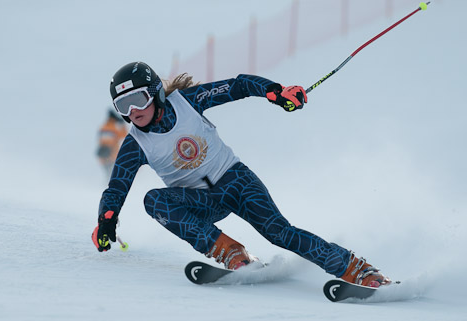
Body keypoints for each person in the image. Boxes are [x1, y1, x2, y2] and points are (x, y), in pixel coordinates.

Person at [91, 61, 391, 288]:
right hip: (201, 201)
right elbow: (116, 189)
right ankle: (232, 253)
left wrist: (276, 92)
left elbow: (239, 85)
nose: (133, 112)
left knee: (279, 233)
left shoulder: (187, 102)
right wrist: (106, 221)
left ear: (155, 93)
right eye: (123, 106)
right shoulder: (135, 144)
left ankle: (357, 270)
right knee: (154, 201)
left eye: (138, 100)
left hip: (236, 181)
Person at [96, 109, 129, 179]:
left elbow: (100, 141)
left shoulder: (102, 128)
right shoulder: (114, 129)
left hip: (103, 157)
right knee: (113, 175)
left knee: (108, 174)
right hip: (112, 156)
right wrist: (123, 125)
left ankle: (105, 185)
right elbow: (124, 135)